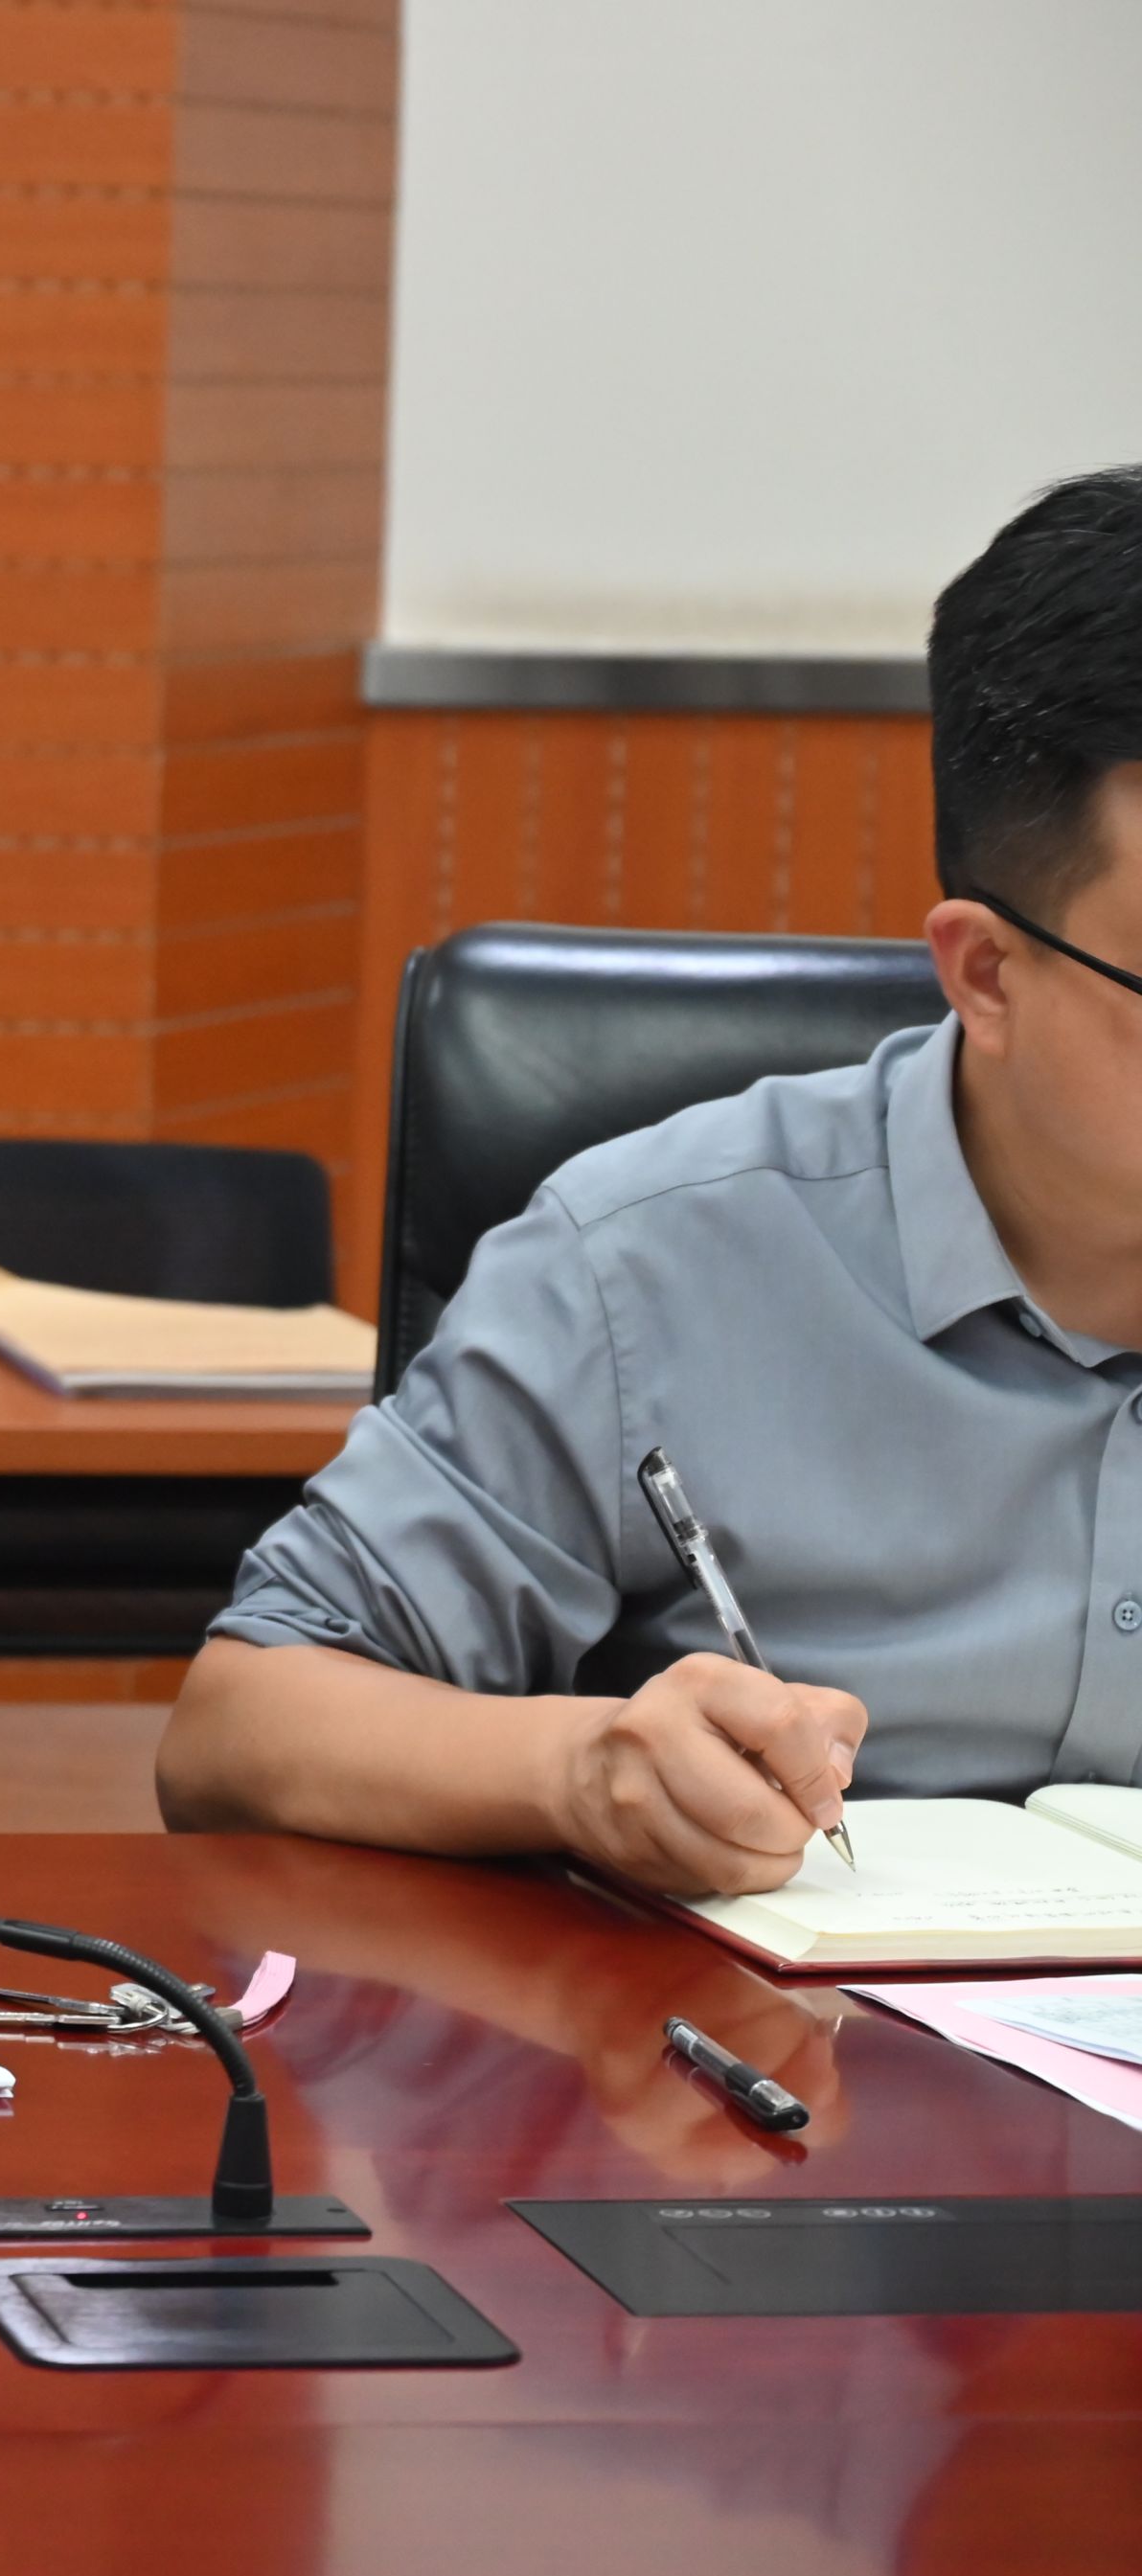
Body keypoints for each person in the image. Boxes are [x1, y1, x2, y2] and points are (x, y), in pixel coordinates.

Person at [159, 465, 1142, 1895]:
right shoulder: (653, 1264)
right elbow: (237, 1727)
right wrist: (583, 1771)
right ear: (987, 972)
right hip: (773, 2032)